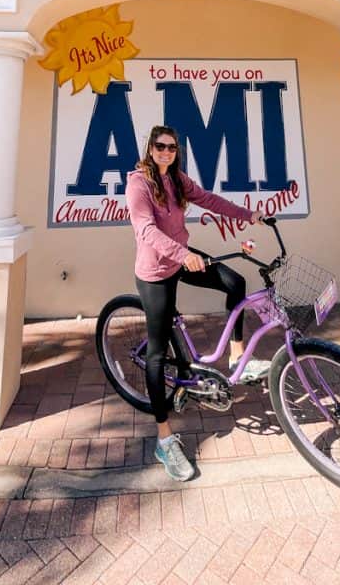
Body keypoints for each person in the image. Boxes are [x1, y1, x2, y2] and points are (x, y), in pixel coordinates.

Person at [125, 124, 268, 482]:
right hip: (156, 271)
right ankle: (164, 439)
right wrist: (182, 253)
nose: (166, 152)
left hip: (181, 258)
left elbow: (208, 199)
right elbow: (144, 229)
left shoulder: (177, 179)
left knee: (235, 281)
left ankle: (237, 356)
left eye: (172, 147)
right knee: (157, 353)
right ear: (150, 147)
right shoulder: (138, 184)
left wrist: (246, 214)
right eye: (160, 146)